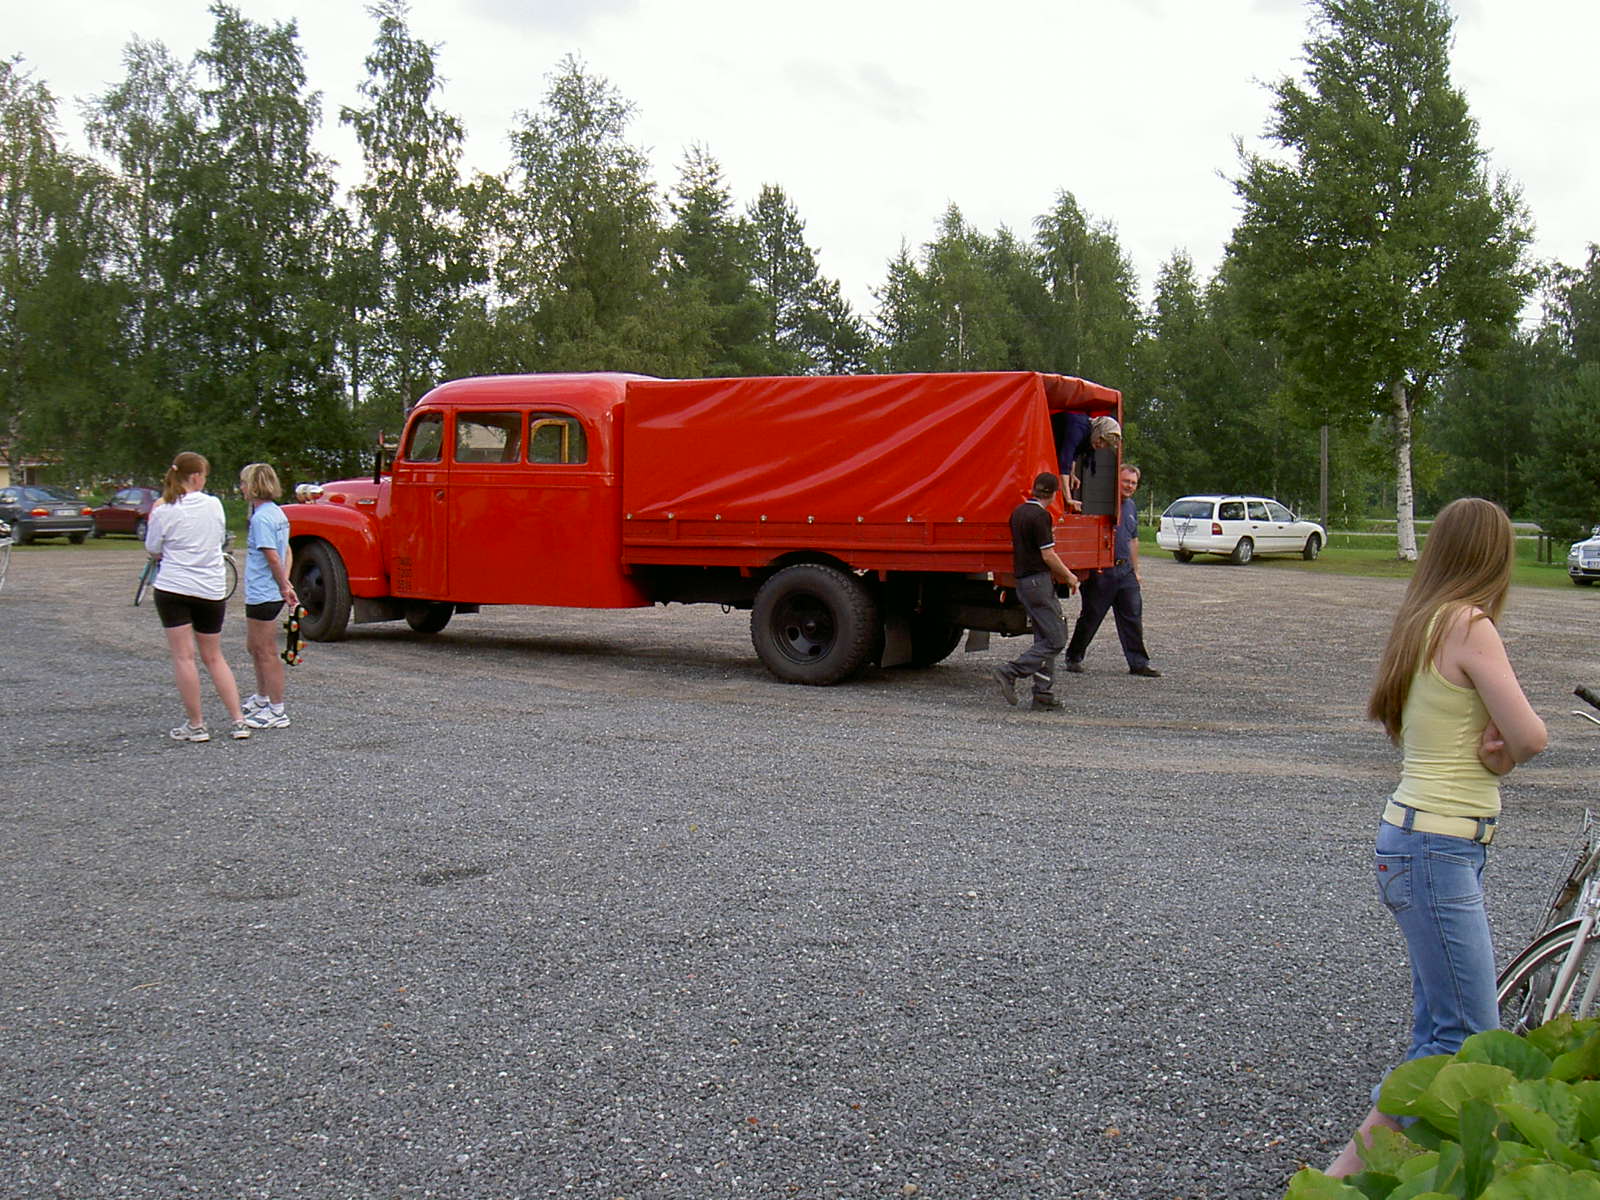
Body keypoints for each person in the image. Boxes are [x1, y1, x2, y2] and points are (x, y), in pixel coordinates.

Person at [1324, 497, 1547, 1179]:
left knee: (1439, 1036)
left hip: (1425, 843)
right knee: (1470, 1038)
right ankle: (1341, 1182)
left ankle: (1374, 1178)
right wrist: (1508, 751)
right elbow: (1532, 735)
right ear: (1494, 557)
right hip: (1438, 850)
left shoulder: (1422, 622)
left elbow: (1474, 739)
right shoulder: (1471, 624)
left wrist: (1499, 753)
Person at [145, 452, 250, 742]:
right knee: (214, 656)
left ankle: (197, 724)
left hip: (174, 586)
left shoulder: (163, 508)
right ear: (196, 477)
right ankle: (238, 720)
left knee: (184, 657)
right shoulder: (214, 504)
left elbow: (153, 548)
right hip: (210, 588)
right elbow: (217, 539)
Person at [991, 472, 1080, 711]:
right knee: (1056, 638)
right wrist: (1069, 576)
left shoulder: (1018, 513)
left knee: (1044, 637)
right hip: (1038, 583)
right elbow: (1047, 554)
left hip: (1023, 583)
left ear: (1034, 489)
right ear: (1053, 494)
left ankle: (1043, 694)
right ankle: (1010, 672)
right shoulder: (1041, 516)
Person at [1064, 463, 1160, 677]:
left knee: (1132, 616)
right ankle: (1074, 656)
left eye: (1134, 483)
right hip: (1102, 572)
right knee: (1092, 616)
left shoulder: (1131, 507)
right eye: (1126, 481)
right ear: (1117, 481)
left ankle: (1138, 663)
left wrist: (1136, 571)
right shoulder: (1100, 503)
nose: (1130, 486)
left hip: (1125, 572)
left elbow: (1133, 540)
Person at [239, 462, 298, 730]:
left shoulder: (262, 518)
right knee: (255, 647)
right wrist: (285, 583)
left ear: (252, 486)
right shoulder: (277, 514)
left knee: (265, 651)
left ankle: (277, 708)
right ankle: (262, 698)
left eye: (243, 483)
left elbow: (273, 556)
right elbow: (286, 550)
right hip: (269, 590)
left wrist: (283, 585)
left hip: (263, 591)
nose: (241, 488)